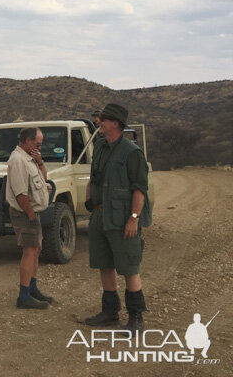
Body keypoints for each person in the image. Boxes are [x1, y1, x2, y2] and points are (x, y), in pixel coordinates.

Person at [84, 103, 151, 333]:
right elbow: (93, 177)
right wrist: (89, 199)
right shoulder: (101, 146)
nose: (98, 122)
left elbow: (140, 189)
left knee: (129, 267)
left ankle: (136, 319)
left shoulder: (132, 152)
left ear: (115, 123)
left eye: (103, 119)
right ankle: (110, 313)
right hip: (100, 215)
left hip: (122, 218)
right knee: (104, 264)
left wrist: (133, 218)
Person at [6, 127, 54, 309]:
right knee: (29, 252)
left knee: (36, 250)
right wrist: (31, 214)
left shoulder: (30, 159)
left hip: (32, 213)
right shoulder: (18, 160)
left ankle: (32, 289)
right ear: (27, 141)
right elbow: (20, 193)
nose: (40, 147)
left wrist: (40, 162)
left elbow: (43, 180)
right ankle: (24, 296)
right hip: (25, 213)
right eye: (37, 143)